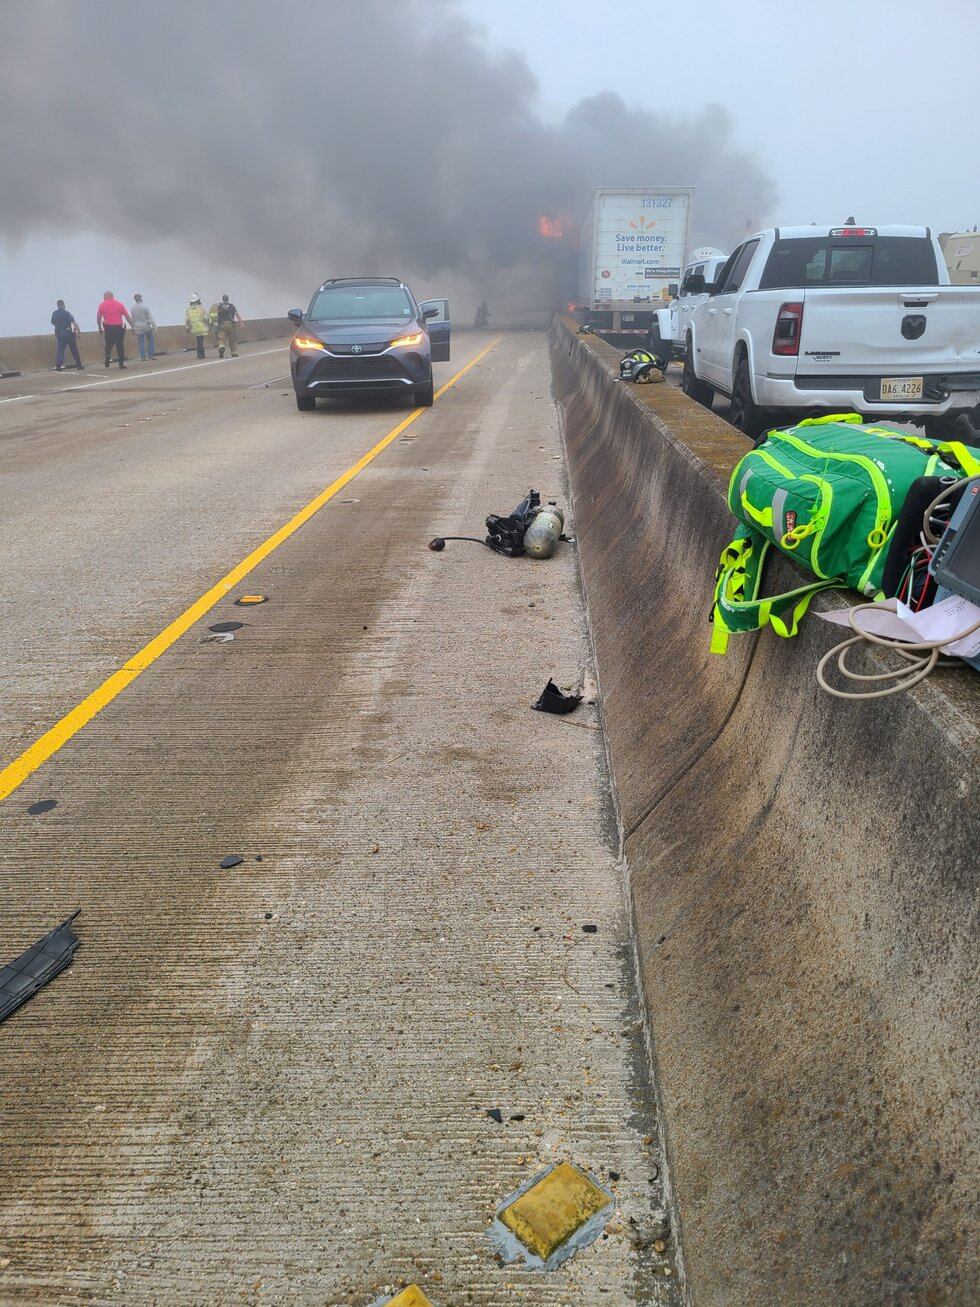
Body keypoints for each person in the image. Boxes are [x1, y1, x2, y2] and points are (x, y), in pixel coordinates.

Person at [96, 290, 132, 369]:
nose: (103, 298)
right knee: (120, 346)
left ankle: (108, 356)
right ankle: (121, 364)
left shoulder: (102, 305)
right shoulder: (120, 304)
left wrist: (99, 328)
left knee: (108, 345)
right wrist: (132, 326)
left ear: (108, 296)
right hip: (118, 328)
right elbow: (127, 316)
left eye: (104, 296)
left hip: (108, 328)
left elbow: (98, 317)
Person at [51, 299, 83, 371]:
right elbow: (74, 323)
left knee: (61, 349)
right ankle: (79, 365)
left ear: (57, 305)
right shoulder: (66, 313)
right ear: (63, 305)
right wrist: (78, 331)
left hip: (60, 333)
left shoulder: (54, 314)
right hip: (68, 333)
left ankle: (58, 365)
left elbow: (53, 323)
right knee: (74, 349)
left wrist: (56, 331)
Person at [213, 293, 243, 358]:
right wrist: (241, 322)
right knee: (232, 339)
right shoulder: (231, 306)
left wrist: (215, 323)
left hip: (222, 324)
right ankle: (234, 352)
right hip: (230, 325)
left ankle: (221, 347)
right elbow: (237, 314)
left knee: (221, 339)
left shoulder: (219, 306)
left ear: (222, 299)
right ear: (228, 299)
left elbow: (216, 316)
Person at [130, 293, 157, 360]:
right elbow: (149, 317)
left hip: (138, 327)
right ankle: (150, 355)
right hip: (146, 326)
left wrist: (133, 328)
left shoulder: (133, 308)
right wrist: (154, 325)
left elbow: (133, 319)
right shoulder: (145, 307)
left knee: (141, 342)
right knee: (150, 340)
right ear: (140, 298)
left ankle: (143, 357)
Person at [185, 294, 210, 358]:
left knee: (198, 340)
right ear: (197, 300)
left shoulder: (188, 310)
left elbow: (187, 319)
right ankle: (200, 354)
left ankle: (201, 353)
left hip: (194, 328)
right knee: (200, 341)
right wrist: (209, 324)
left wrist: (187, 327)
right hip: (202, 327)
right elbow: (206, 317)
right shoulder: (201, 308)